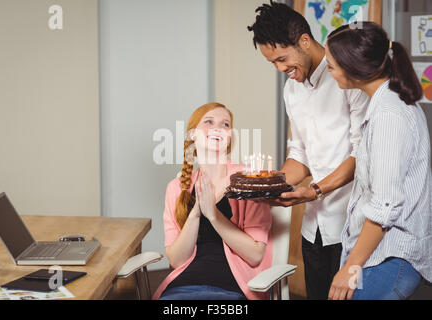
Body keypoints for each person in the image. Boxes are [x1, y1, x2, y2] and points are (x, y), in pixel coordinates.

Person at [247, 1, 369, 299]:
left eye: (282, 59)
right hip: (313, 226)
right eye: (272, 63)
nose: (280, 69)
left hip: (351, 224)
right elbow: (299, 153)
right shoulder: (292, 90)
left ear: (304, 41)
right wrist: (272, 186)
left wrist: (314, 190)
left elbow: (362, 152)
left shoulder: (347, 77)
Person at [325, 22, 431, 300]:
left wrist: (349, 268)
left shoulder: (388, 115)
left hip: (390, 257)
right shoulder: (387, 103)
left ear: (354, 67)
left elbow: (385, 206)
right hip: (379, 255)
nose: (329, 71)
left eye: (332, 65)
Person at [152, 102, 273, 300]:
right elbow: (176, 260)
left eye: (225, 125)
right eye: (209, 122)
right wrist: (195, 214)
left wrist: (213, 215)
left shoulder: (248, 180)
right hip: (184, 286)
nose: (218, 128)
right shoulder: (176, 187)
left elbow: (255, 254)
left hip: (233, 288)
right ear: (192, 135)